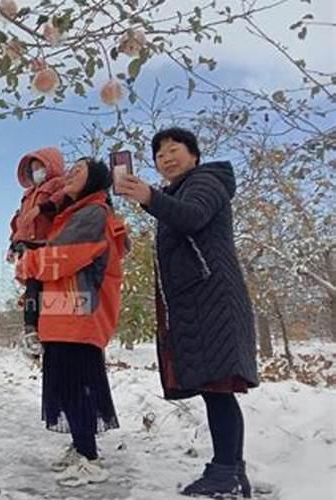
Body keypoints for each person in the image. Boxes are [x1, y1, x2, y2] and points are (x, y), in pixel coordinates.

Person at [114, 127, 258, 498]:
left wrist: (149, 197)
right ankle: (230, 470)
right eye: (159, 154)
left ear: (194, 154)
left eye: (174, 149)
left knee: (219, 389)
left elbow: (192, 217)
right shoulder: (178, 192)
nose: (166, 157)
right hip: (199, 303)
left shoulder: (207, 180)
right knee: (214, 389)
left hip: (214, 301)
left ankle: (227, 473)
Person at [15, 158, 129, 487]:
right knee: (66, 382)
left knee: (78, 382)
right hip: (64, 307)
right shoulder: (70, 214)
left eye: (78, 171)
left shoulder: (92, 213)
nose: (69, 174)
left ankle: (89, 457)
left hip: (81, 309)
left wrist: (26, 264)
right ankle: (81, 447)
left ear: (95, 180)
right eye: (69, 169)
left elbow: (62, 257)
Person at [7, 147, 68, 356]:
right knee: (32, 289)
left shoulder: (59, 184)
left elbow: (62, 200)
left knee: (46, 290)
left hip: (48, 245)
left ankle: (46, 332)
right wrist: (12, 245)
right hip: (29, 247)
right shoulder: (27, 195)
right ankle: (31, 330)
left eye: (40, 167)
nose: (37, 172)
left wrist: (41, 209)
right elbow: (19, 224)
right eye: (33, 169)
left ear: (52, 165)